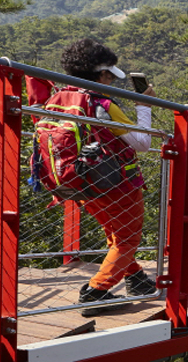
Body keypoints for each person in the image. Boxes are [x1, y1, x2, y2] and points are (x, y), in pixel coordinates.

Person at [57, 39, 158, 316]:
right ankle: (95, 291)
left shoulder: (59, 98)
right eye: (110, 75)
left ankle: (136, 280)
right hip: (115, 183)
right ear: (101, 75)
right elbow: (142, 143)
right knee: (127, 239)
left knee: (115, 235)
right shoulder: (101, 103)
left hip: (76, 182)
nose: (112, 81)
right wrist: (143, 105)